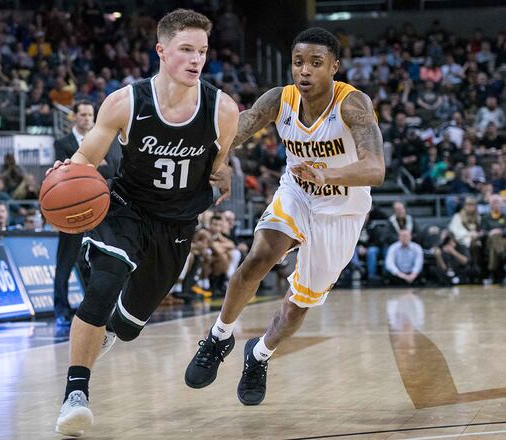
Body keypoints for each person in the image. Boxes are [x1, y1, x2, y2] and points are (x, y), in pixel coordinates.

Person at [53, 9, 238, 436]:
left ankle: (112, 327)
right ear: (161, 50)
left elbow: (219, 169)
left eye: (202, 51)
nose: (196, 60)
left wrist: (222, 180)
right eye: (186, 50)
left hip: (176, 226)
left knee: (129, 327)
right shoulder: (125, 102)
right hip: (125, 207)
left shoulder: (222, 110)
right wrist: (70, 172)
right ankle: (75, 394)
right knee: (104, 283)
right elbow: (86, 158)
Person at [184, 27, 385, 407]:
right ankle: (219, 335)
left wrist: (328, 174)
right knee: (259, 256)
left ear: (334, 68)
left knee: (298, 304)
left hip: (341, 209)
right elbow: (236, 131)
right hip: (297, 194)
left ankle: (258, 355)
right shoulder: (280, 99)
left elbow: (375, 168)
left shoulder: (353, 105)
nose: (304, 71)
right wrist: (218, 162)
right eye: (297, 63)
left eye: (315, 63)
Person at [51, 100, 122, 327]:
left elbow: (112, 170)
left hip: (98, 212)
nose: (87, 118)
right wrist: (91, 165)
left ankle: (91, 311)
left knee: (92, 263)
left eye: (90, 114)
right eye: (82, 114)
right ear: (74, 117)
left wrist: (88, 167)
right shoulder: (62, 143)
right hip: (70, 210)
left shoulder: (105, 141)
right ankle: (60, 310)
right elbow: (65, 172)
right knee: (65, 263)